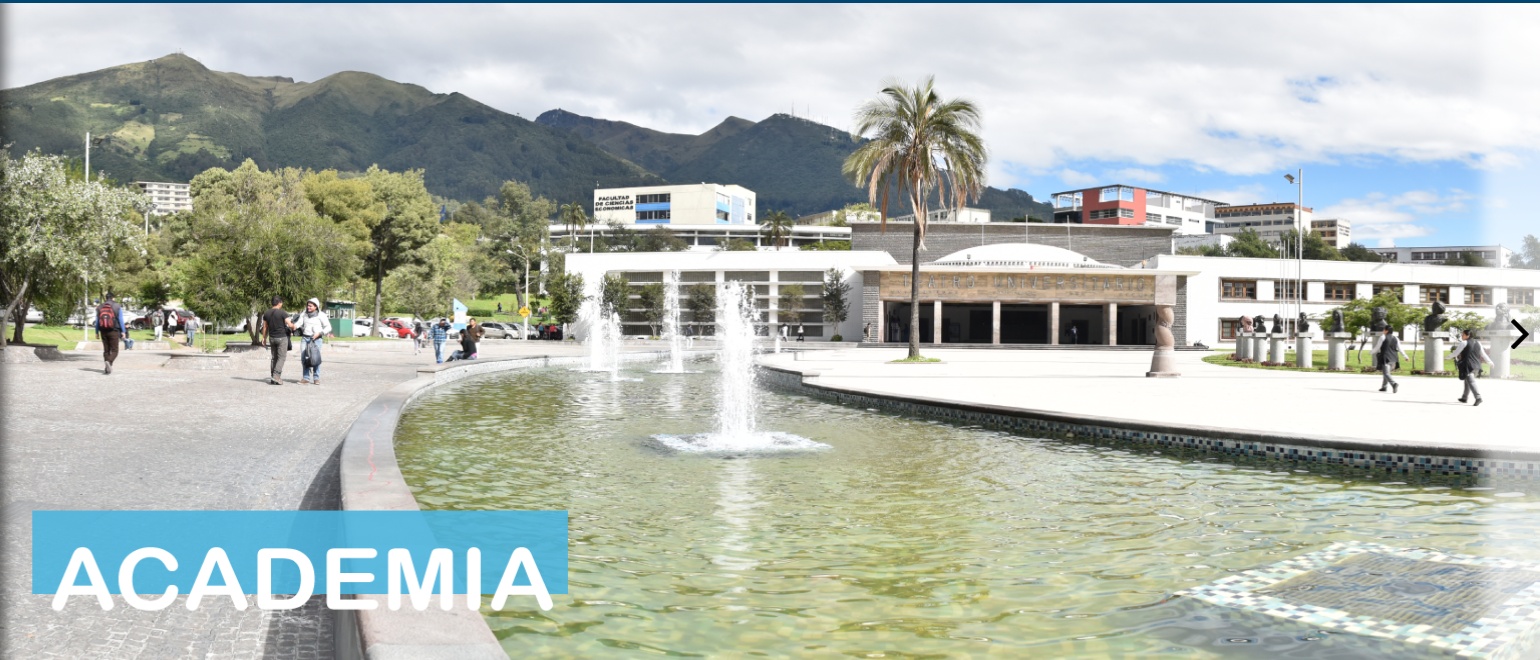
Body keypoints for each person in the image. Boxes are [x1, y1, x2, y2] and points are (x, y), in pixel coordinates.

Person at [259, 296, 296, 385]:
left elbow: (265, 327)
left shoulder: (266, 313)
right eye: (281, 302)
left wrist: (264, 338)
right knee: (281, 357)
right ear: (279, 303)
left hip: (272, 338)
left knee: (274, 358)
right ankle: (276, 376)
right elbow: (289, 324)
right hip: (282, 337)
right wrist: (293, 326)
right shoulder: (282, 313)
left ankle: (273, 378)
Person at [1451, 327, 1492, 406]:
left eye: (1463, 334)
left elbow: (1455, 353)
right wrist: (1489, 361)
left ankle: (1478, 397)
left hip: (1469, 366)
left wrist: (1447, 357)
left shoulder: (1464, 343)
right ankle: (1464, 397)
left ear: (1468, 335)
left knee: (1471, 382)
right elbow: (1483, 354)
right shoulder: (1478, 342)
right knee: (1467, 381)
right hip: (1477, 365)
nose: (1461, 336)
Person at [296, 298, 332, 385]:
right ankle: (306, 378)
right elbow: (299, 323)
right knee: (304, 358)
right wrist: (293, 326)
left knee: (315, 358)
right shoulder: (304, 314)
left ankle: (316, 378)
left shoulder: (321, 315)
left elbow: (328, 327)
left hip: (317, 339)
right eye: (307, 305)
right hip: (305, 339)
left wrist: (320, 333)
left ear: (316, 307)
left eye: (310, 306)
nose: (308, 307)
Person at [94, 292, 128, 375]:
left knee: (106, 350)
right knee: (115, 350)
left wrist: (96, 332)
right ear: (113, 298)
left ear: (106, 298)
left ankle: (107, 368)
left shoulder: (100, 307)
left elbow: (97, 321)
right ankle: (109, 362)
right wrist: (123, 331)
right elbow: (121, 320)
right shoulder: (117, 306)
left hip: (103, 331)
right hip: (114, 330)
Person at [1374, 325, 1411, 393]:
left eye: (1384, 329)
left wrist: (1371, 352)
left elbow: (1377, 347)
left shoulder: (1382, 337)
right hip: (1394, 358)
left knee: (1386, 373)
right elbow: (1400, 348)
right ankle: (1384, 387)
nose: (1383, 331)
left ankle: (1394, 384)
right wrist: (1405, 356)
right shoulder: (1396, 338)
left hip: (1385, 358)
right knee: (1386, 372)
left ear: (1386, 331)